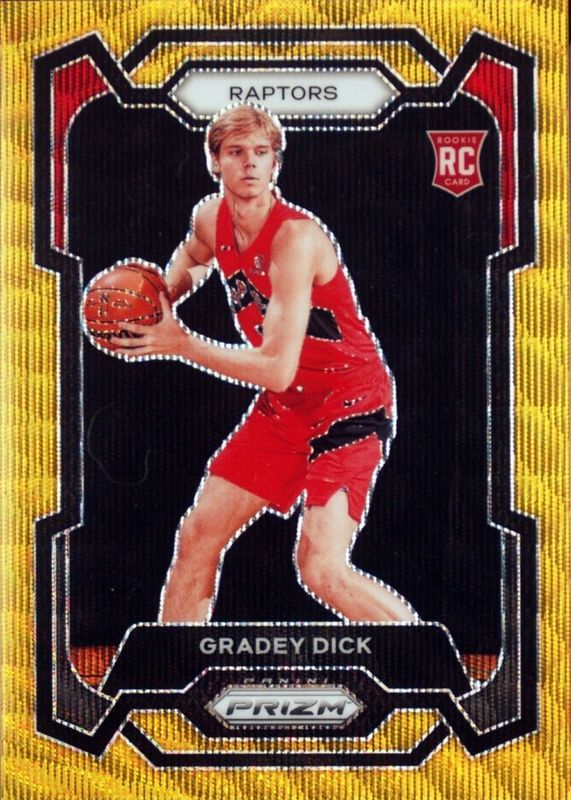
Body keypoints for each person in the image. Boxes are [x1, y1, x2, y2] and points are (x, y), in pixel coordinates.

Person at [112, 104, 418, 624]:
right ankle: (172, 666)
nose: (250, 163)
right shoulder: (210, 217)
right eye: (236, 153)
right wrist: (160, 298)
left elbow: (275, 367)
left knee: (320, 567)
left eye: (261, 152)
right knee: (199, 534)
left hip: (350, 404)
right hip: (289, 407)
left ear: (276, 162)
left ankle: (425, 656)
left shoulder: (296, 239)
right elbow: (193, 256)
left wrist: (180, 342)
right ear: (215, 162)